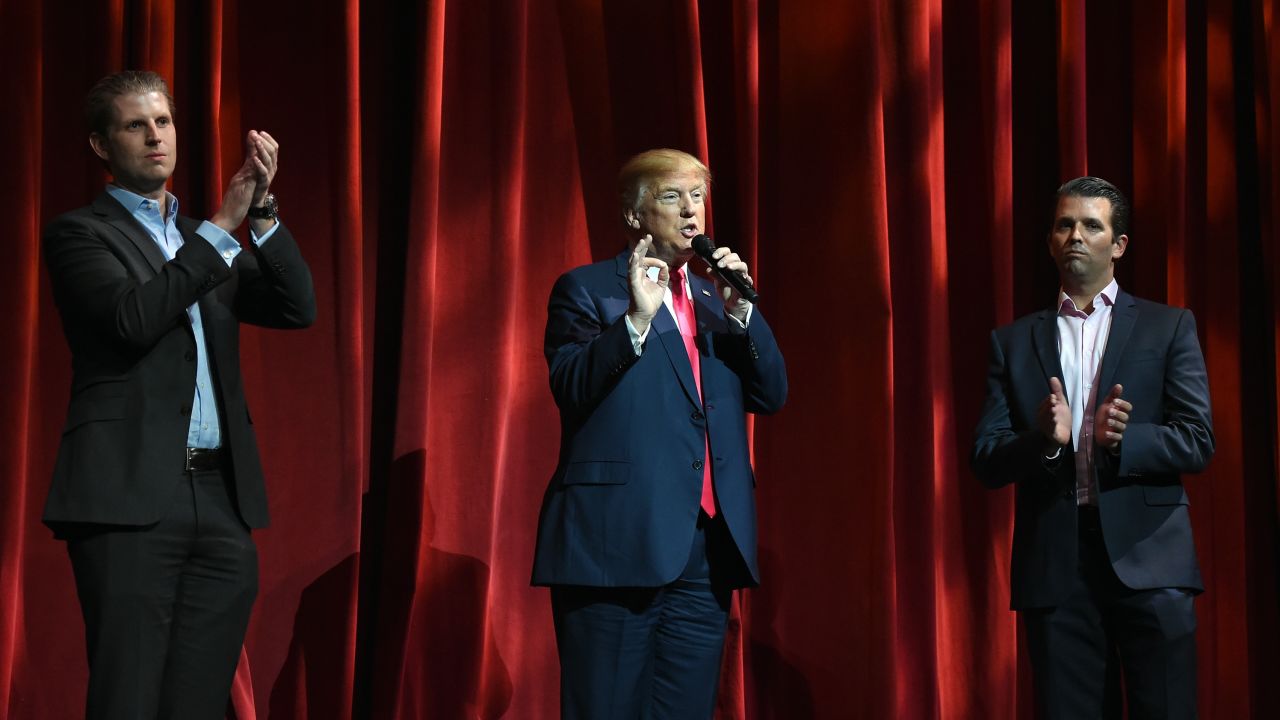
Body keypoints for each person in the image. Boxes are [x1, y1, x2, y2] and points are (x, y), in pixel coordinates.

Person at [42, 70, 315, 719]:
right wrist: (223, 223)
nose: (155, 136)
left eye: (162, 121)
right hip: (129, 500)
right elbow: (132, 320)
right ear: (102, 146)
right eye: (135, 125)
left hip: (220, 500)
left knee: (196, 704)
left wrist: (264, 212)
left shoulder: (204, 239)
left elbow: (294, 306)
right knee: (128, 698)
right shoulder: (80, 234)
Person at [532, 148, 787, 718]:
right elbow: (570, 386)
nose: (692, 212)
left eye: (698, 195)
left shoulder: (714, 300)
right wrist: (635, 322)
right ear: (634, 214)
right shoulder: (588, 289)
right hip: (615, 542)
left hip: (705, 549)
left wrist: (742, 313)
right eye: (672, 196)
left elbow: (771, 394)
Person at [972, 177, 1214, 719]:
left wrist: (1127, 441)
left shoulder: (1168, 326)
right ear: (1051, 241)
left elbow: (1198, 439)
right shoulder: (1012, 342)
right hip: (1058, 568)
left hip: (1151, 561)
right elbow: (986, 457)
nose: (1075, 235)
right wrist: (1044, 442)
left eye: (1091, 225)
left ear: (1119, 245)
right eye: (1064, 224)